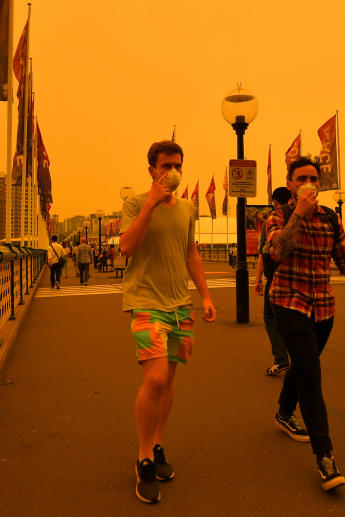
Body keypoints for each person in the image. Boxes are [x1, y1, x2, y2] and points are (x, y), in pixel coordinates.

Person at [266, 156, 345, 491]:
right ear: (290, 184)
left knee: (304, 366)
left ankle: (284, 413)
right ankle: (326, 458)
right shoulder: (278, 216)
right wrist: (298, 214)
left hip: (323, 308)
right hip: (289, 303)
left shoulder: (331, 218)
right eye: (301, 178)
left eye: (314, 178)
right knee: (312, 380)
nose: (309, 183)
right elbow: (277, 252)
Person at [120, 140, 216, 505]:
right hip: (146, 303)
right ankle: (144, 456)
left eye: (177, 165)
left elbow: (190, 252)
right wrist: (150, 203)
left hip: (180, 306)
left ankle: (158, 443)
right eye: (165, 166)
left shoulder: (189, 208)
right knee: (155, 377)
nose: (172, 171)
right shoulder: (134, 203)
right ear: (152, 170)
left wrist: (205, 294)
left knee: (170, 377)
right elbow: (126, 247)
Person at [254, 186, 293, 376]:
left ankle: (281, 359)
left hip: (276, 277)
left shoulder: (273, 219)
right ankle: (300, 359)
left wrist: (258, 280)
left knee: (270, 316)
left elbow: (264, 252)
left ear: (275, 202)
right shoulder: (301, 215)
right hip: (299, 275)